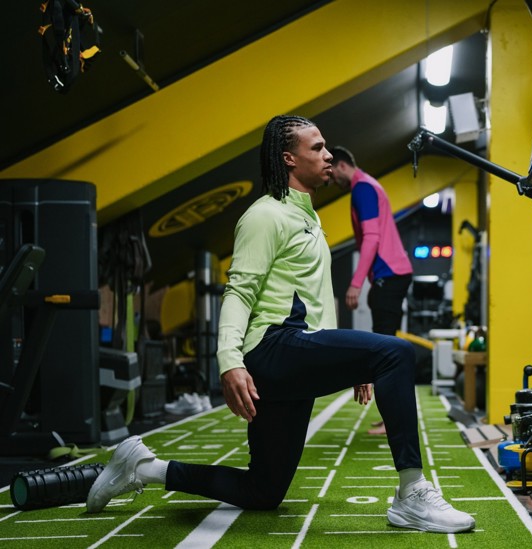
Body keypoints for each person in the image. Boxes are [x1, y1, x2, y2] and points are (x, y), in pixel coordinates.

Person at [85, 115, 475, 534]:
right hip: (273, 346)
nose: (328, 156)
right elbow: (238, 292)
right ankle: (411, 494)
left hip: (295, 350)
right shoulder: (264, 216)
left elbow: (315, 296)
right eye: (318, 148)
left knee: (263, 491)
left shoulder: (308, 218)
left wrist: (358, 363)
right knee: (396, 349)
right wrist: (229, 361)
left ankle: (144, 467)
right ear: (289, 159)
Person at [329, 146, 414, 436]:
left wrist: (355, 282)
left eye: (331, 172)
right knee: (386, 348)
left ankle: (395, 420)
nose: (331, 180)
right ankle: (392, 417)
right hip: (389, 275)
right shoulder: (369, 184)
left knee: (386, 352)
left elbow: (372, 238)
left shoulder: (362, 188)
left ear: (341, 166)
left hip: (390, 274)